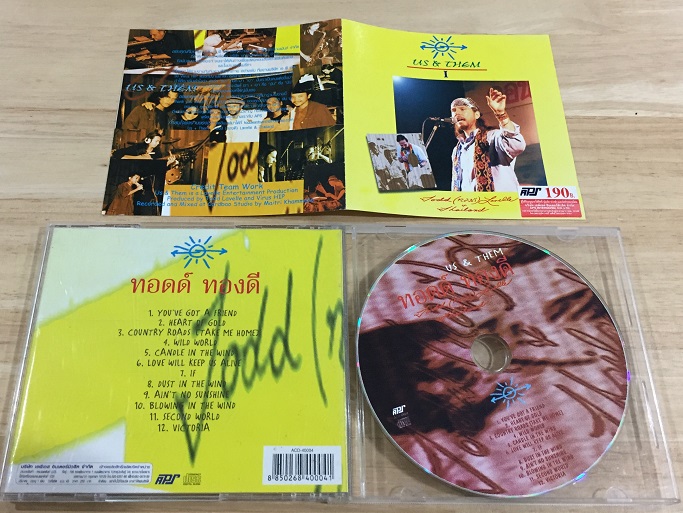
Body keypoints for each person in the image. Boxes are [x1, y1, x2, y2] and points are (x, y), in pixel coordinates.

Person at [450, 89, 526, 192]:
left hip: (498, 201)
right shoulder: (457, 150)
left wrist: (501, 114)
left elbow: (517, 146)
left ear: (476, 114)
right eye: (454, 110)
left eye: (462, 109)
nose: (457, 113)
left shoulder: (492, 137)